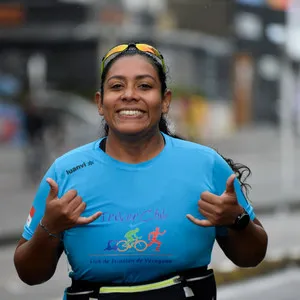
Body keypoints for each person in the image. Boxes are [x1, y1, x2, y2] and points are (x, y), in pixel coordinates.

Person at [13, 42, 268, 300]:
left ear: (165, 100)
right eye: (117, 86)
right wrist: (49, 227)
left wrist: (237, 220)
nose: (130, 95)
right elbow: (29, 273)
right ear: (100, 103)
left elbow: (252, 256)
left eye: (144, 86)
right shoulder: (66, 172)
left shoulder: (206, 164)